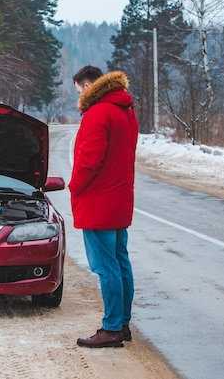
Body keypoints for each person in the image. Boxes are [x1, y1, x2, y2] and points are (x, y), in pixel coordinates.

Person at [69, 65, 139, 348]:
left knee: (105, 266)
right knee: (121, 262)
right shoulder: (126, 110)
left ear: (87, 86)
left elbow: (89, 160)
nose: (78, 97)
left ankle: (111, 328)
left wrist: (74, 187)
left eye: (78, 90)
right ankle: (122, 324)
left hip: (98, 201)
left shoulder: (98, 113)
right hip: (119, 199)